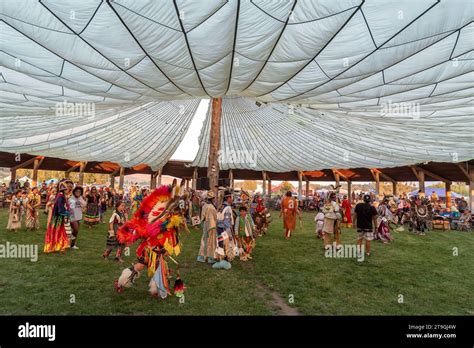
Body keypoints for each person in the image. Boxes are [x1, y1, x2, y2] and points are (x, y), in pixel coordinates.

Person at [115, 184, 187, 299]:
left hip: (158, 246)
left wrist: (165, 245)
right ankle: (121, 282)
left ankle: (156, 289)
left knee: (159, 266)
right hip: (149, 247)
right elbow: (149, 229)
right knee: (139, 266)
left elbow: (167, 232)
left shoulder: (167, 214)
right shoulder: (157, 211)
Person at [44, 179, 72, 253]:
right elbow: (60, 210)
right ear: (64, 189)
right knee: (58, 232)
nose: (68, 190)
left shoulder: (61, 196)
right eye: (67, 188)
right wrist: (66, 213)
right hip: (57, 218)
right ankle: (55, 247)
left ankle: (57, 247)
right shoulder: (60, 197)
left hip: (58, 217)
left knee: (58, 232)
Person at [213, 190, 235, 269]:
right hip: (225, 229)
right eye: (232, 197)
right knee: (227, 244)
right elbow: (227, 221)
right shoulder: (228, 208)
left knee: (220, 243)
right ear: (228, 198)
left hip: (219, 228)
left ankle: (221, 259)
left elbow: (218, 218)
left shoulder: (221, 206)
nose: (232, 199)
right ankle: (226, 259)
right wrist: (229, 233)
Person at [197, 191, 218, 264]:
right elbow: (216, 216)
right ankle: (210, 257)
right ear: (212, 199)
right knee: (211, 241)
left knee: (204, 240)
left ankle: (202, 257)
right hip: (211, 225)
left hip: (205, 224)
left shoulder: (204, 206)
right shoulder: (212, 207)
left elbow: (202, 216)